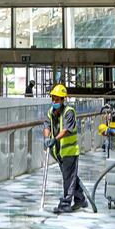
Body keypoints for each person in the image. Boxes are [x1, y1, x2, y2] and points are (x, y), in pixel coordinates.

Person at [43, 84, 88, 213]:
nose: (54, 102)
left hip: (69, 151)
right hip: (58, 152)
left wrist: (54, 139)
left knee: (68, 176)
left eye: (57, 99)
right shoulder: (50, 112)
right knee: (70, 176)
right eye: (53, 99)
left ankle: (66, 203)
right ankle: (80, 199)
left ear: (63, 100)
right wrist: (47, 138)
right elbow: (46, 126)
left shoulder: (69, 112)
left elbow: (66, 130)